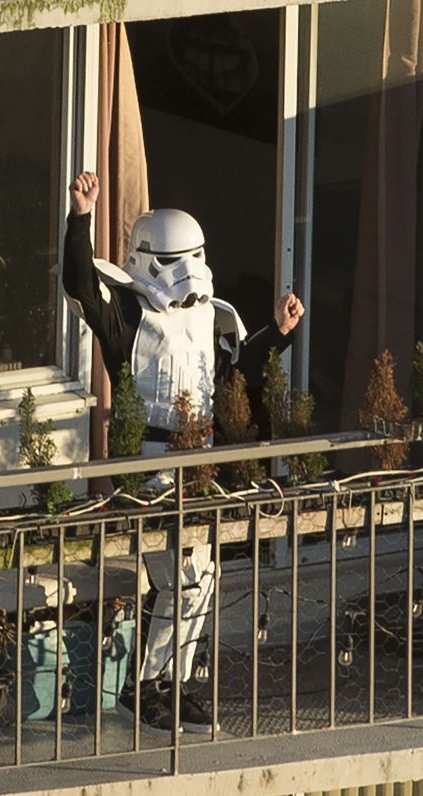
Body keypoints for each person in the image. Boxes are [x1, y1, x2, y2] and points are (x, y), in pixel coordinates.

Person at [62, 171, 304, 736]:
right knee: (185, 578)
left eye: (194, 258)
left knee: (203, 577)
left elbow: (230, 373)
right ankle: (145, 687)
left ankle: (172, 681)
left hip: (198, 465)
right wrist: (81, 219)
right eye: (176, 259)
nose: (188, 273)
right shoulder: (127, 313)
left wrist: (279, 332)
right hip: (145, 469)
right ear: (148, 259)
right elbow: (80, 283)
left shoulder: (210, 316)